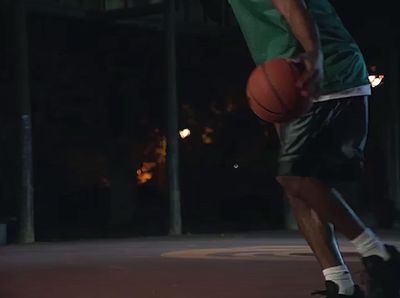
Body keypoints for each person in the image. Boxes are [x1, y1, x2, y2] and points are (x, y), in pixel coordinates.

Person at [227, 0, 400, 297]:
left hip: (322, 72)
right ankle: (340, 283)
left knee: (293, 177)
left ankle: (378, 253)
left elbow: (292, 5)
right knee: (298, 185)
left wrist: (314, 54)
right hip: (287, 74)